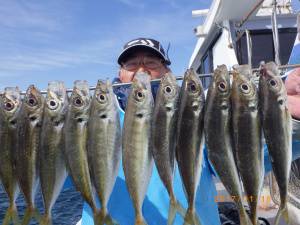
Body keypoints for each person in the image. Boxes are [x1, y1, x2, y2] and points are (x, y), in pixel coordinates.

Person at [77, 37, 221, 225]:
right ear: (121, 74)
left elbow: (243, 159)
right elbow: (67, 175)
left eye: (151, 63)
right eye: (132, 64)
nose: (142, 70)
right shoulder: (92, 121)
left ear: (166, 71)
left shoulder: (192, 115)